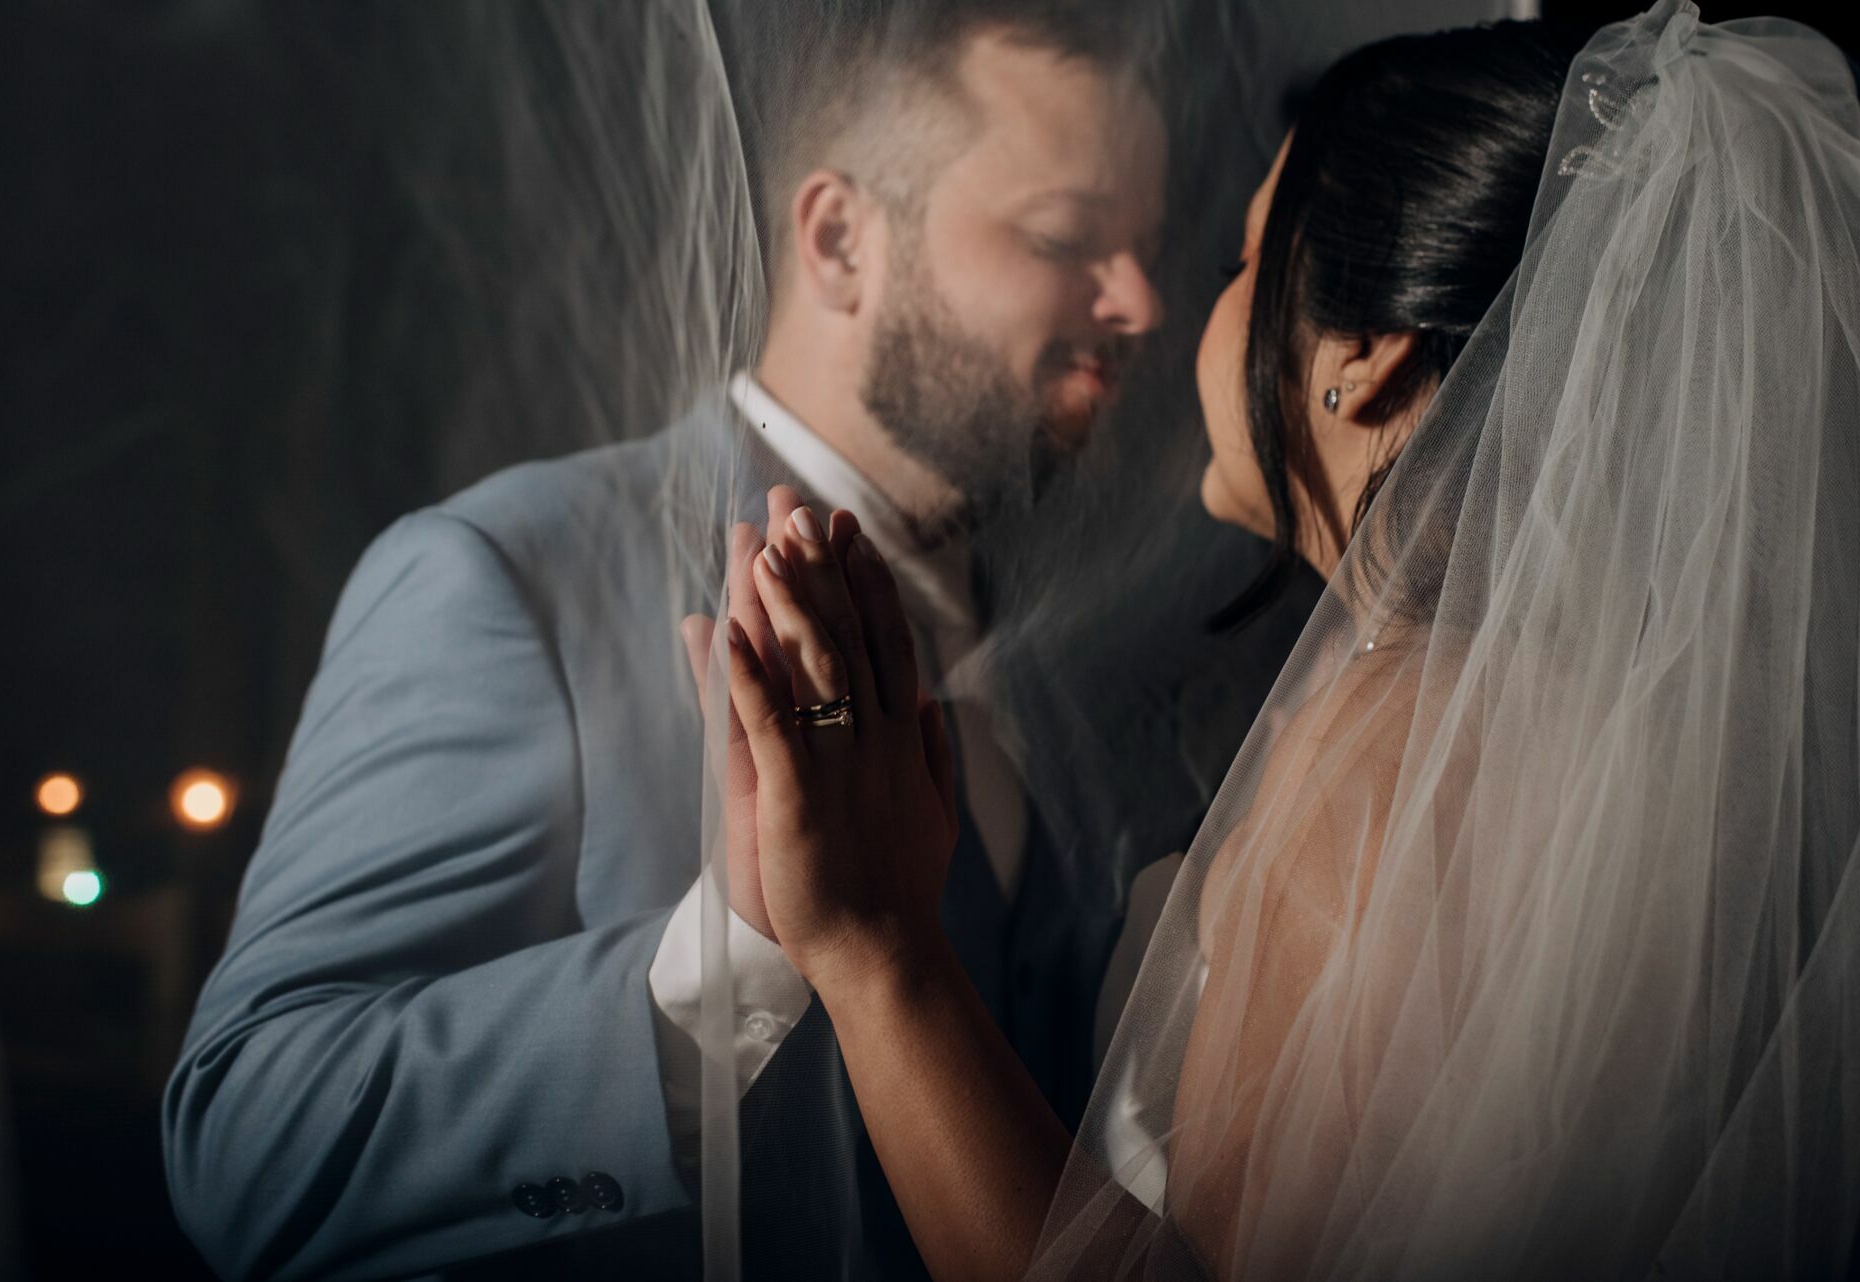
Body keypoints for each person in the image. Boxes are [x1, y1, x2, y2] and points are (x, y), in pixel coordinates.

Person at [709, 3, 1860, 1277]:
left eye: (1240, 265)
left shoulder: (1403, 747)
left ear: (1362, 356)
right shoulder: (1608, 736)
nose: (1169, 313)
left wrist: (879, 957)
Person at [164, 4, 1312, 1278]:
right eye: (1064, 238)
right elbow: (247, 1144)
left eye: (1148, 249)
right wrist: (738, 952)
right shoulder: (508, 577)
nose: (1142, 302)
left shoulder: (1068, 654)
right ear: (837, 239)